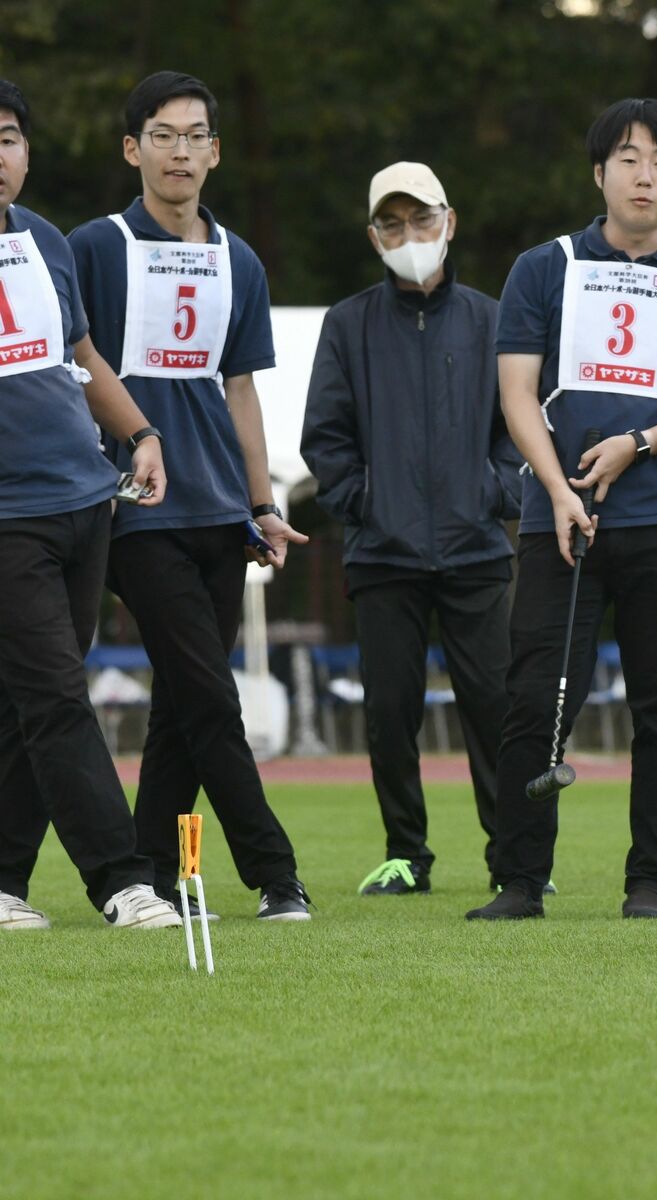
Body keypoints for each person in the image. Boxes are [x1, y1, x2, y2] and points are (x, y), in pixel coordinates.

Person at [466, 97, 657, 923]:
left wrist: (642, 443)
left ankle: (650, 883)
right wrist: (554, 487)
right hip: (558, 517)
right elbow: (515, 391)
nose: (644, 174)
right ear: (600, 172)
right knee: (536, 697)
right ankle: (520, 880)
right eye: (628, 157)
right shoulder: (542, 266)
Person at [65, 71, 312, 921]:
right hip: (133, 508)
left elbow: (239, 390)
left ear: (215, 150)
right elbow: (70, 365)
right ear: (133, 149)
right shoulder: (90, 247)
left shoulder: (237, 257)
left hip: (222, 513)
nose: (181, 151)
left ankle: (152, 877)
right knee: (209, 692)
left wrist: (262, 502)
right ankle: (276, 874)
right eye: (162, 135)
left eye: (195, 135)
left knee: (180, 705)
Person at [301, 161, 523, 897]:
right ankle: (406, 856)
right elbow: (324, 442)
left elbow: (521, 431)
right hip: (383, 555)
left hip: (478, 551)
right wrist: (369, 503)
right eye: (392, 224)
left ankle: (512, 860)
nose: (410, 235)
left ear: (449, 222)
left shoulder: (496, 318)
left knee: (494, 711)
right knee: (389, 716)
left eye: (422, 220)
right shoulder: (347, 323)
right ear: (374, 236)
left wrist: (493, 493)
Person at [0, 79, 182, 931]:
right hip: (7, 521)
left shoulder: (42, 241)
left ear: (26, 151)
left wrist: (141, 432)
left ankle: (0, 882)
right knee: (57, 696)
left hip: (83, 500)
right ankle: (123, 879)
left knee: (25, 706)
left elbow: (81, 356)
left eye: (6, 137)